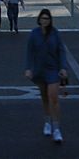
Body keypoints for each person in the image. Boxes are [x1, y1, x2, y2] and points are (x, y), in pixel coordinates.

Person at [25, 9, 68, 144]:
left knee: (53, 97)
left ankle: (56, 128)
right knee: (44, 97)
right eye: (43, 18)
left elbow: (61, 51)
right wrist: (28, 68)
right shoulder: (34, 34)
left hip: (53, 69)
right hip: (39, 70)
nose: (45, 21)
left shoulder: (55, 33)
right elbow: (29, 52)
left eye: (47, 19)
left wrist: (63, 67)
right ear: (39, 20)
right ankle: (47, 122)